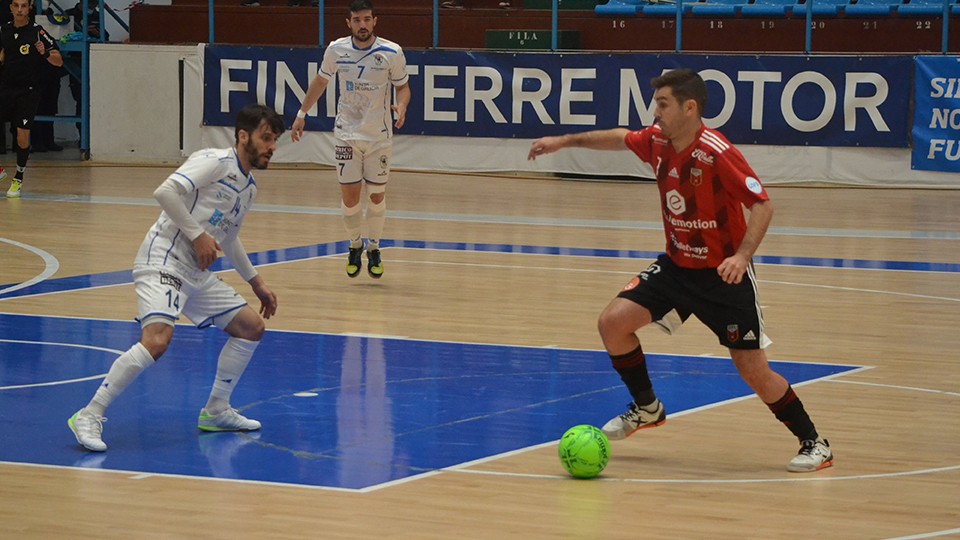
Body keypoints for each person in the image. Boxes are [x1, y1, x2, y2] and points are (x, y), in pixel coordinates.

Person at [527, 69, 833, 473]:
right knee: (612, 323)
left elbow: (763, 205)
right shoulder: (656, 141)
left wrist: (741, 257)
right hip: (676, 267)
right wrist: (562, 141)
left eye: (664, 104)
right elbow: (620, 136)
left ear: (690, 108)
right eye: (656, 104)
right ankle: (647, 407)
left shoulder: (718, 153)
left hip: (723, 277)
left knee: (753, 370)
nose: (656, 113)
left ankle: (815, 442)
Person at [67, 103, 285, 452]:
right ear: (243, 136)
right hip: (164, 259)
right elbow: (165, 192)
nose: (272, 146)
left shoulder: (249, 188)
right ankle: (89, 414)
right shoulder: (214, 160)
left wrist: (256, 282)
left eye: (275, 140)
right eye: (266, 138)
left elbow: (228, 237)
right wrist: (198, 235)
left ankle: (215, 411)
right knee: (156, 340)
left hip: (196, 273)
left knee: (250, 327)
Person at [291, 0, 410, 279]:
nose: (363, 25)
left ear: (375, 21)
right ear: (349, 23)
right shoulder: (336, 50)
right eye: (357, 20)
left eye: (367, 19)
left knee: (377, 196)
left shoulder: (392, 52)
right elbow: (320, 82)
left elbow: (403, 88)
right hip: (346, 135)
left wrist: (402, 105)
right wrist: (301, 113)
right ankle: (355, 244)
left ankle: (375, 247)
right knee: (350, 198)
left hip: (378, 138)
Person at [0, 0, 63, 198]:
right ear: (10, 8)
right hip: (5, 89)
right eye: (16, 6)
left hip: (28, 91)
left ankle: (18, 178)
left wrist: (43, 53)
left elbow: (58, 61)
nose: (20, 10)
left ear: (29, 9)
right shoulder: (3, 30)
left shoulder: (38, 32)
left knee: (21, 135)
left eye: (24, 6)